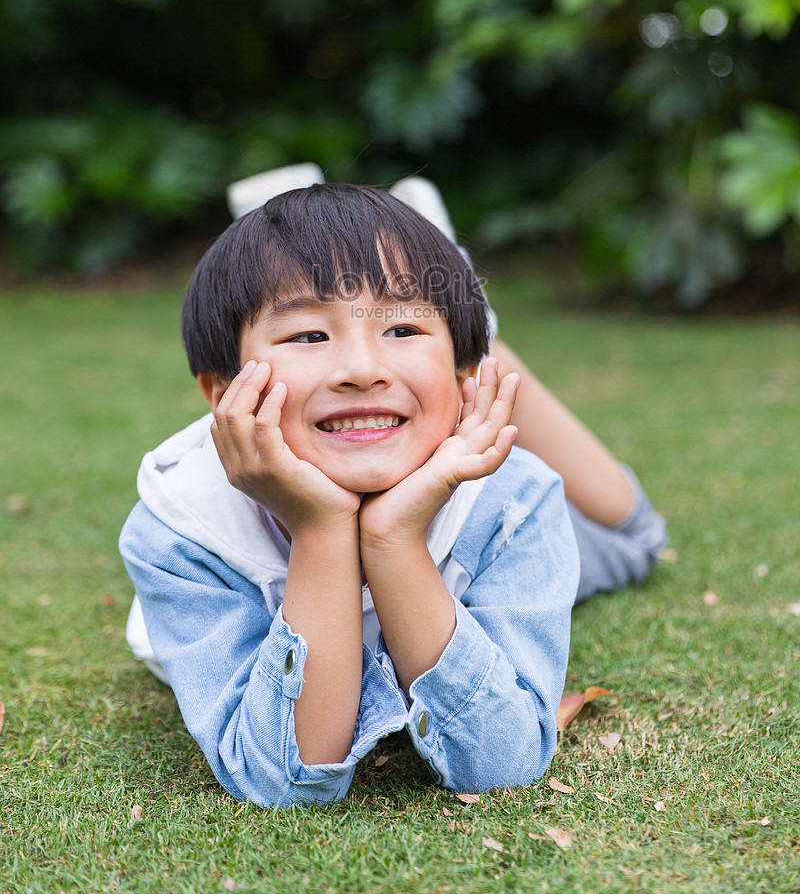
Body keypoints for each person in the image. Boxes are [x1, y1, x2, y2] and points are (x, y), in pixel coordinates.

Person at [119, 172, 666, 807]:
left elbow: (501, 759)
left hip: (465, 477)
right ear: (222, 395)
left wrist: (393, 539)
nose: (362, 370)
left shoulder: (512, 503)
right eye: (308, 335)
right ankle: (443, 303)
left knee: (635, 538)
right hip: (404, 433)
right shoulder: (182, 528)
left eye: (402, 328)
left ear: (461, 381)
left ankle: (477, 330)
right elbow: (281, 779)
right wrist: (326, 530)